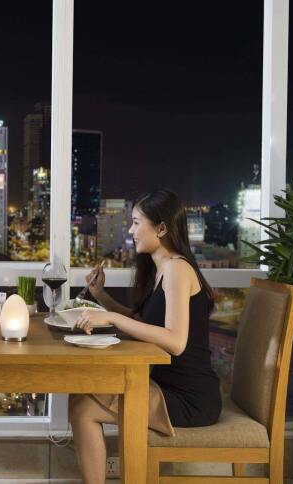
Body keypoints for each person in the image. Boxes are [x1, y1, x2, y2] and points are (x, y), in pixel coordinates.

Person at [69, 189, 221, 483]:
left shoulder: (177, 269)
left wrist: (110, 318)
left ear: (162, 228)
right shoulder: (162, 269)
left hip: (189, 398)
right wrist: (101, 297)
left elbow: (175, 342)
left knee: (82, 408)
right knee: (81, 397)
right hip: (167, 386)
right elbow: (142, 323)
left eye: (137, 222)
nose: (131, 230)